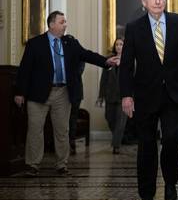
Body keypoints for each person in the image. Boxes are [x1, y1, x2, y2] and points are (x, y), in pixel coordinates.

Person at [119, 0, 178, 200]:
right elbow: (126, 65)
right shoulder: (133, 28)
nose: (159, 1)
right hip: (145, 95)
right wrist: (126, 95)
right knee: (147, 146)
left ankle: (171, 181)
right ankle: (147, 195)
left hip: (174, 94)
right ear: (144, 1)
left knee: (172, 139)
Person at [14, 10, 117, 177]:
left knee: (62, 130)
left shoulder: (70, 42)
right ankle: (32, 165)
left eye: (65, 22)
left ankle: (62, 165)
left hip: (62, 92)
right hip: (38, 94)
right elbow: (25, 70)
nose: (65, 25)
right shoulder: (35, 43)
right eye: (62, 22)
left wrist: (106, 61)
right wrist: (20, 93)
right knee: (35, 130)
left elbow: (86, 55)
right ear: (52, 24)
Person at [96, 38, 127, 154]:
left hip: (124, 96)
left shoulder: (129, 59)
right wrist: (101, 96)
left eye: (121, 44)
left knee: (120, 122)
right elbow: (103, 79)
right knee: (109, 118)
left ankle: (116, 146)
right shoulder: (109, 60)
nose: (119, 46)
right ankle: (117, 137)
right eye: (117, 44)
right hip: (110, 95)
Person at [69, 61, 84, 155]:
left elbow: (79, 71)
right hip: (61, 92)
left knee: (73, 119)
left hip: (76, 91)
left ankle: (71, 142)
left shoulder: (80, 55)